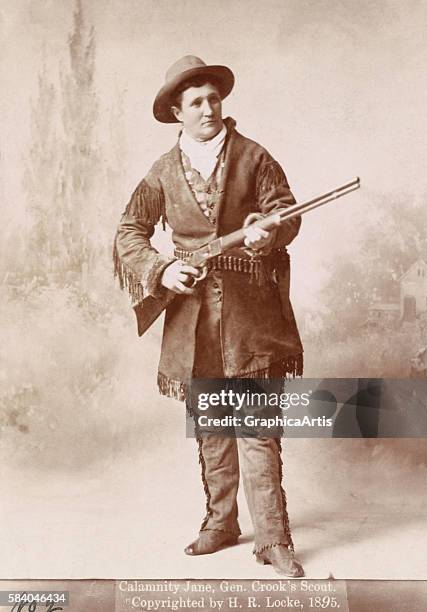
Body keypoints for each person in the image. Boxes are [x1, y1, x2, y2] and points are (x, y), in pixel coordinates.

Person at [114, 55, 304, 577]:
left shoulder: (253, 155)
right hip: (191, 317)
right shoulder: (161, 172)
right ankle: (221, 523)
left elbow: (285, 211)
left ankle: (273, 538)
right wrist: (161, 270)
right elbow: (129, 232)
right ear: (177, 111)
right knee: (212, 424)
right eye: (195, 102)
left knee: (258, 428)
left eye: (213, 98)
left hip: (251, 316)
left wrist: (269, 232)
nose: (208, 109)